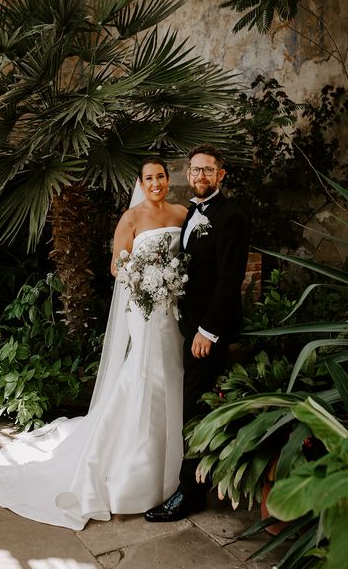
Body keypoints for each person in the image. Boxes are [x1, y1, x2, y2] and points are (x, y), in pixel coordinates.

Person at [0, 157, 188, 531]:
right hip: (144, 307)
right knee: (146, 370)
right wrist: (141, 272)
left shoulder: (182, 213)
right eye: (150, 178)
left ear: (168, 180)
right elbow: (116, 266)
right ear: (141, 181)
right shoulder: (131, 218)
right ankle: (134, 463)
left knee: (172, 368)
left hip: (173, 306)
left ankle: (171, 452)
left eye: (161, 177)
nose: (156, 183)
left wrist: (170, 277)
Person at [145, 144, 249, 522]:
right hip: (188, 328)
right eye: (195, 170)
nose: (200, 176)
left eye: (208, 171)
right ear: (188, 174)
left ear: (221, 175)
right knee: (196, 405)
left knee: (193, 410)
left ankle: (189, 493)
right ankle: (202, 480)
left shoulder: (230, 216)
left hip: (209, 332)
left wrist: (207, 331)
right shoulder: (191, 212)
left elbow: (229, 279)